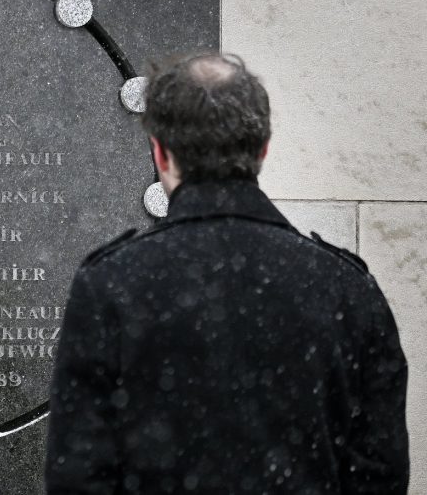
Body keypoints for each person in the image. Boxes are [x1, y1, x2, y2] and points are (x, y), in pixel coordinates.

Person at [45, 54, 409, 494]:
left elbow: (78, 475)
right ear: (262, 149)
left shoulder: (110, 284)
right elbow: (379, 472)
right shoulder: (347, 288)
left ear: (160, 151)